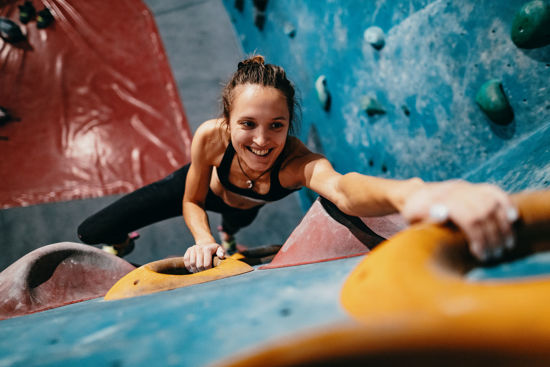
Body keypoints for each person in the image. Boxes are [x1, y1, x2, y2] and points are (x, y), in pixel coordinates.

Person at [78, 55, 518, 273]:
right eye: (247, 124)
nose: (262, 140)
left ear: (290, 125)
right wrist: (200, 238)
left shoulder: (295, 165)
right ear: (227, 121)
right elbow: (192, 199)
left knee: (237, 227)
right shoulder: (211, 138)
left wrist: (417, 193)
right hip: (197, 190)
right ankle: (132, 240)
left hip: (241, 207)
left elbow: (344, 189)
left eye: (277, 125)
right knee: (92, 232)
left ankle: (230, 235)